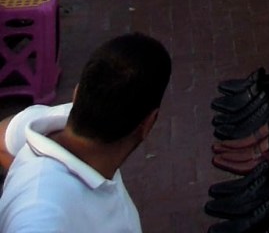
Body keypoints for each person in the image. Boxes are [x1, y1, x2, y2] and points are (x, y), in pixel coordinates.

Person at [0, 33, 172, 233]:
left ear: (76, 94)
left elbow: (3, 136)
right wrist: (33, 184)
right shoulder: (41, 213)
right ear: (149, 123)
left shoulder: (59, 119)